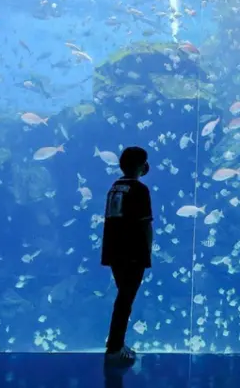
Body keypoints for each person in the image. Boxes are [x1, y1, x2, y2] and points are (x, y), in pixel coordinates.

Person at [101, 146, 153, 364]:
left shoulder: (115, 187)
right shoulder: (140, 190)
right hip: (133, 251)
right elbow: (145, 225)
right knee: (125, 300)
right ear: (142, 166)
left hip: (114, 250)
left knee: (123, 296)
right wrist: (147, 249)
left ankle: (116, 343)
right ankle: (114, 347)